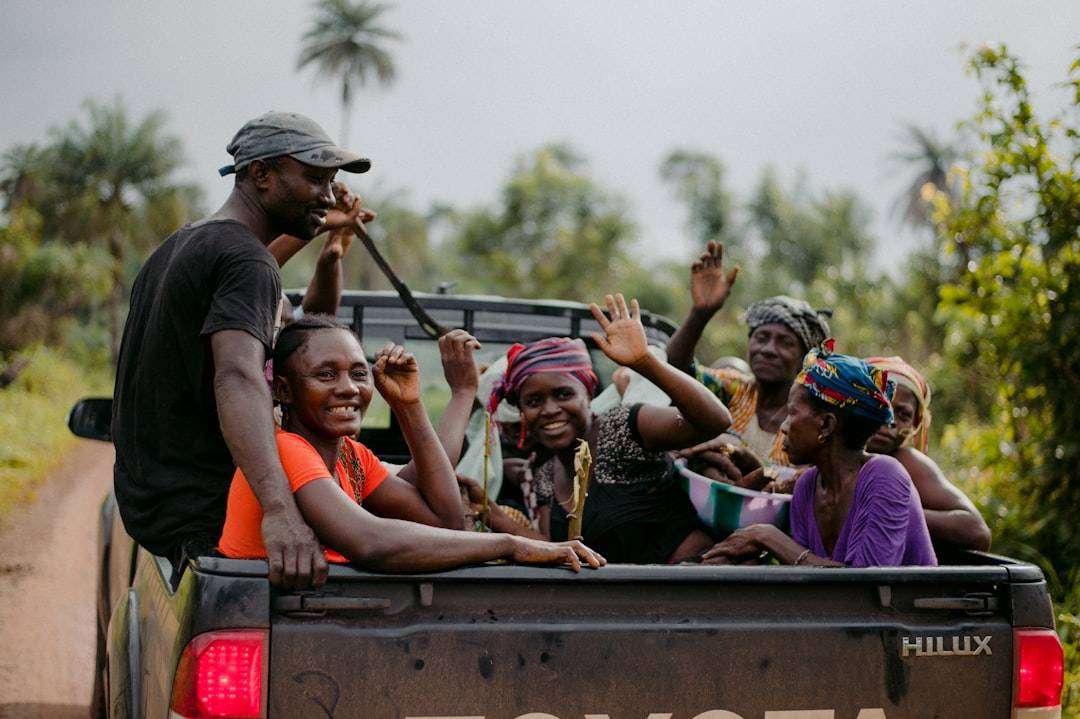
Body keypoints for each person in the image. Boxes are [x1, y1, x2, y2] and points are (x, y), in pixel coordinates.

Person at [112, 111, 374, 589]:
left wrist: (318, 230)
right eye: (315, 178)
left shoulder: (177, 247)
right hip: (207, 513)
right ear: (261, 174)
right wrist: (278, 510)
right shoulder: (247, 260)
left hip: (158, 508)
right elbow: (236, 376)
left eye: (332, 181)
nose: (329, 194)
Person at [217, 315, 605, 572]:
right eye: (325, 375)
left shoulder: (352, 457)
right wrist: (508, 544)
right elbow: (372, 541)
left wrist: (408, 403)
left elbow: (446, 520)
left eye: (357, 373)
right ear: (283, 389)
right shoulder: (286, 447)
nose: (348, 388)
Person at [482, 293, 733, 564]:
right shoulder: (542, 473)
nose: (550, 409)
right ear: (521, 411)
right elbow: (558, 549)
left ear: (588, 395)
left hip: (693, 584)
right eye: (534, 401)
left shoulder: (623, 427)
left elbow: (716, 421)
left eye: (564, 395)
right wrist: (490, 512)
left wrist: (644, 361)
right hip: (620, 601)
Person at [700, 342, 937, 567]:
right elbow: (811, 586)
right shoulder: (807, 486)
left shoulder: (885, 476)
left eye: (792, 414)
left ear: (826, 425)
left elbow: (864, 590)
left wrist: (768, 537)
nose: (783, 427)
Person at [666, 241, 831, 488]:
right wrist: (701, 313)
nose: (768, 349)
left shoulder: (812, 417)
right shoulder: (734, 389)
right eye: (761, 338)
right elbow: (677, 371)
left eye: (785, 342)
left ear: (805, 358)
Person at [865, 356, 991, 552]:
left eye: (903, 414)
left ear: (914, 425)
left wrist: (891, 512)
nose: (890, 420)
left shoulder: (905, 462)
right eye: (881, 404)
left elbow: (977, 531)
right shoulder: (822, 459)